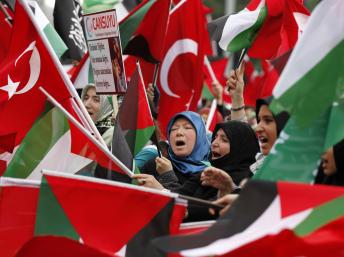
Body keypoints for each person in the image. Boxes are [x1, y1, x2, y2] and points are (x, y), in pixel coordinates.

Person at [200, 121, 260, 197]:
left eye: (224, 140)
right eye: (215, 137)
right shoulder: (204, 173)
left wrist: (228, 189)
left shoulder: (250, 183)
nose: (214, 143)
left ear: (239, 148)